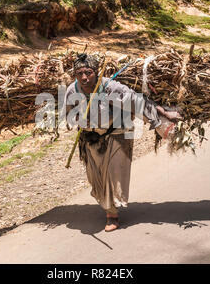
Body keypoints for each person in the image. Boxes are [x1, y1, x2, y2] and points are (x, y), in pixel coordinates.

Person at [64, 53, 181, 232]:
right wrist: (80, 120)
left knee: (113, 174)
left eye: (88, 72)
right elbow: (69, 115)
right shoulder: (72, 91)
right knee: (95, 179)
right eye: (79, 73)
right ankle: (107, 204)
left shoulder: (110, 87)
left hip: (117, 134)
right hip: (90, 139)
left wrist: (162, 114)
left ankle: (112, 215)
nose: (84, 77)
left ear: (96, 72)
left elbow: (137, 101)